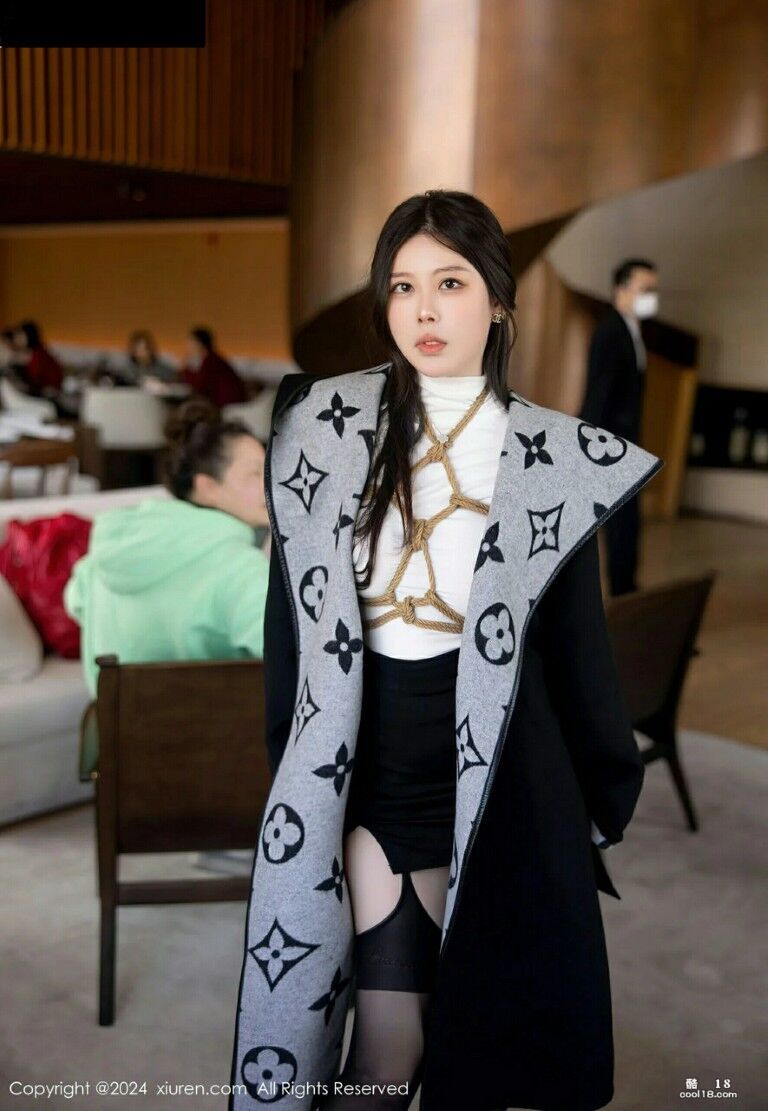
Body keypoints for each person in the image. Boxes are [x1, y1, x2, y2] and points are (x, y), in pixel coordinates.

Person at [229, 192, 663, 1111]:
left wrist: (590, 804)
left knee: (468, 1050)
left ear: (498, 301)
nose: (423, 309)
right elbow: (291, 629)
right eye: (402, 286)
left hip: (488, 776)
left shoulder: (551, 459)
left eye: (451, 283)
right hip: (367, 773)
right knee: (387, 1048)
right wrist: (292, 768)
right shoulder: (326, 431)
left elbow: (577, 653)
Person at [64, 399, 271, 774]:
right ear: (207, 487)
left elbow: (74, 600)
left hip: (121, 763)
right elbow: (290, 658)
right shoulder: (239, 568)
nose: (272, 483)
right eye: (255, 474)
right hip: (215, 767)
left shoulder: (107, 552)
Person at [580, 258, 659, 594]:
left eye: (654, 289)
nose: (651, 296)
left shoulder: (631, 330)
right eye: (646, 289)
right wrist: (595, 449)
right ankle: (622, 592)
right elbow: (599, 393)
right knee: (617, 523)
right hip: (611, 445)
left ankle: (626, 589)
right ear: (622, 289)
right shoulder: (611, 331)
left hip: (625, 443)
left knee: (626, 523)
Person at [180, 326, 248, 408]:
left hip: (228, 403)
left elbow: (201, 385)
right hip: (225, 401)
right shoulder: (210, 359)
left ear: (199, 343)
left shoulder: (211, 361)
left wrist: (186, 370)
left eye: (191, 341)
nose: (188, 345)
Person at [13, 319, 65, 397]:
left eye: (20, 335)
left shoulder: (38, 354)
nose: (17, 339)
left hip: (49, 392)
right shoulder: (33, 352)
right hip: (42, 390)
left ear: (28, 336)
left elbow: (36, 379)